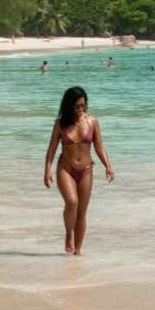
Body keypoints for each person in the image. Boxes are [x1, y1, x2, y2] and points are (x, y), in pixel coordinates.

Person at [44, 86, 114, 256]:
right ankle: (68, 234)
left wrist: (108, 166)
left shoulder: (93, 121)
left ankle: (78, 252)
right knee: (72, 202)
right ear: (69, 106)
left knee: (82, 212)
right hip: (65, 168)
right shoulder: (60, 124)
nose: (80, 109)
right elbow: (52, 148)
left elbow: (99, 146)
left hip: (86, 169)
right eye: (76, 106)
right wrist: (47, 171)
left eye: (83, 105)